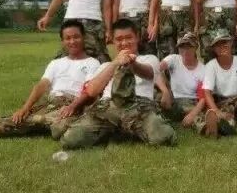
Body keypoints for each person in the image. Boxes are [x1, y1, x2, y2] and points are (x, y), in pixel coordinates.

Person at [55, 18, 176, 149]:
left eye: (129, 38)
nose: (124, 43)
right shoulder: (105, 66)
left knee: (163, 137)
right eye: (119, 39)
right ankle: (119, 130)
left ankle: (120, 131)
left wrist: (132, 63)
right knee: (70, 140)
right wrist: (116, 63)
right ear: (113, 41)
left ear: (137, 37)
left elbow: (149, 73)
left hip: (138, 107)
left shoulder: (149, 59)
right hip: (108, 108)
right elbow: (92, 91)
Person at [0, 20, 100, 138]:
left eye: (76, 37)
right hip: (51, 105)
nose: (72, 41)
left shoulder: (92, 63)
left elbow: (89, 90)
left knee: (60, 129)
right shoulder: (56, 63)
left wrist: (72, 106)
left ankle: (38, 122)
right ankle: (42, 122)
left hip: (74, 105)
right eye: (68, 38)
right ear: (63, 41)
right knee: (0, 126)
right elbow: (42, 85)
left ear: (83, 38)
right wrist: (25, 108)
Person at [159, 32, 206, 128]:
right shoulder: (173, 59)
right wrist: (165, 91)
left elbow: (203, 98)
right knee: (155, 97)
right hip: (172, 99)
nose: (185, 50)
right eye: (182, 47)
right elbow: (156, 70)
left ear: (195, 47)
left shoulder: (203, 70)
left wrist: (192, 114)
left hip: (190, 102)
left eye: (189, 47)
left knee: (195, 116)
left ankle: (207, 125)